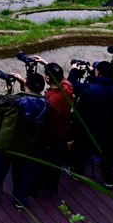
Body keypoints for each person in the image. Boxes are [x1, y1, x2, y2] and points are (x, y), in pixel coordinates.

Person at [0, 73, 49, 207]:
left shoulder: (14, 101)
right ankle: (20, 199)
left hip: (6, 144)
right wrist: (24, 85)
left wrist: (5, 91)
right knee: (22, 174)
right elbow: (31, 99)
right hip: (27, 145)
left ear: (26, 83)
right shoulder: (44, 104)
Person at [66, 61, 113, 188]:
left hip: (86, 124)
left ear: (99, 73)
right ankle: (109, 180)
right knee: (106, 151)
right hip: (106, 125)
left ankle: (76, 173)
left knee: (80, 147)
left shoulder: (90, 89)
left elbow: (71, 84)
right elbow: (104, 84)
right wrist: (93, 74)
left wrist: (74, 70)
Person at [28, 58, 73, 195]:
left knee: (37, 162)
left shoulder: (50, 101)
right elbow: (61, 78)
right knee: (56, 162)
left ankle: (33, 189)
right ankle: (52, 184)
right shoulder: (68, 88)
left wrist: (45, 143)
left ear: (47, 78)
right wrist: (46, 63)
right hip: (62, 133)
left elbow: (49, 126)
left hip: (50, 137)